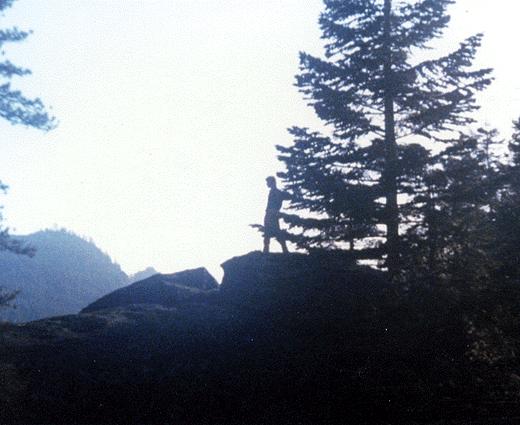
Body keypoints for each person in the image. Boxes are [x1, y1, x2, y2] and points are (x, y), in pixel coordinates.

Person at [263, 176, 290, 254]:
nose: (267, 184)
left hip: (271, 214)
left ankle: (267, 251)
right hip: (272, 213)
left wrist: (273, 212)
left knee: (270, 232)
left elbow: (281, 200)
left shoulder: (276, 192)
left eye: (268, 182)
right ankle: (284, 249)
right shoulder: (275, 192)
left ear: (272, 182)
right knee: (271, 232)